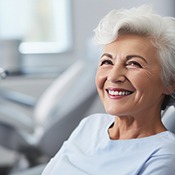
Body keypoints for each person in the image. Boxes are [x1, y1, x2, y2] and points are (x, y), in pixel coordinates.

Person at [42, 5, 175, 175]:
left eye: (133, 63)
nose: (113, 76)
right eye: (107, 62)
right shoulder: (90, 125)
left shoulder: (164, 155)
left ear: (170, 82)